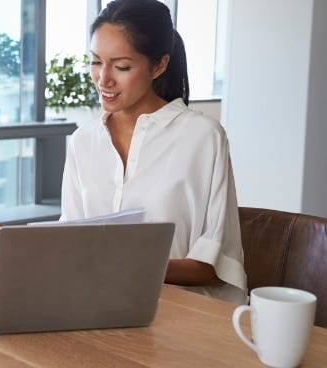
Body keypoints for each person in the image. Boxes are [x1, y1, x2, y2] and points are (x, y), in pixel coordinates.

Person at [60, 0, 247, 304]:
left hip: (183, 318)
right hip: (95, 307)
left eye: (121, 66)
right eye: (96, 61)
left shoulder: (202, 138)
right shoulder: (83, 141)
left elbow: (217, 265)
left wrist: (129, 267)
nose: (103, 79)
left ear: (159, 65)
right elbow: (68, 242)